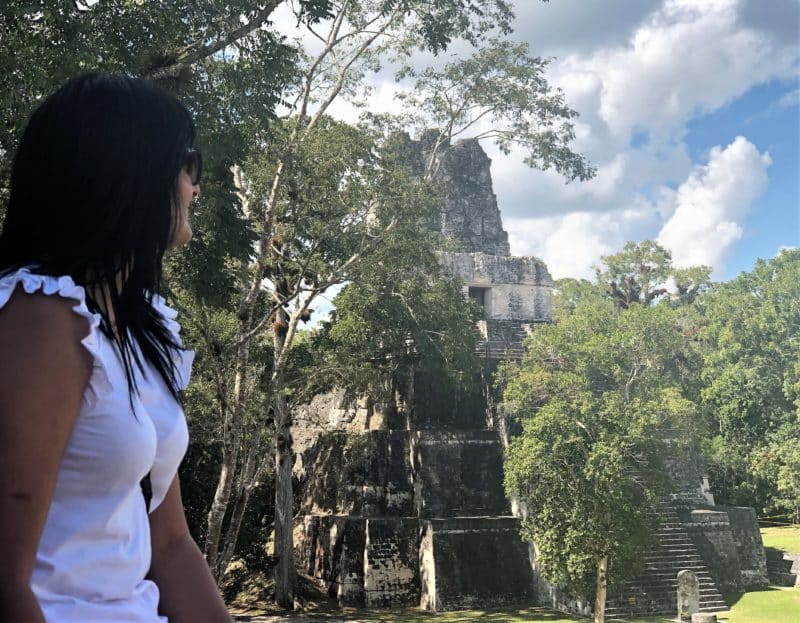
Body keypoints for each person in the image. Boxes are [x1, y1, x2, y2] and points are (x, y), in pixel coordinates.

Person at [0, 73, 234, 622]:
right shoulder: (39, 319)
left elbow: (171, 546)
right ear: (130, 170)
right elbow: (5, 583)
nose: (194, 186)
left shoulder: (138, 327)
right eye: (187, 164)